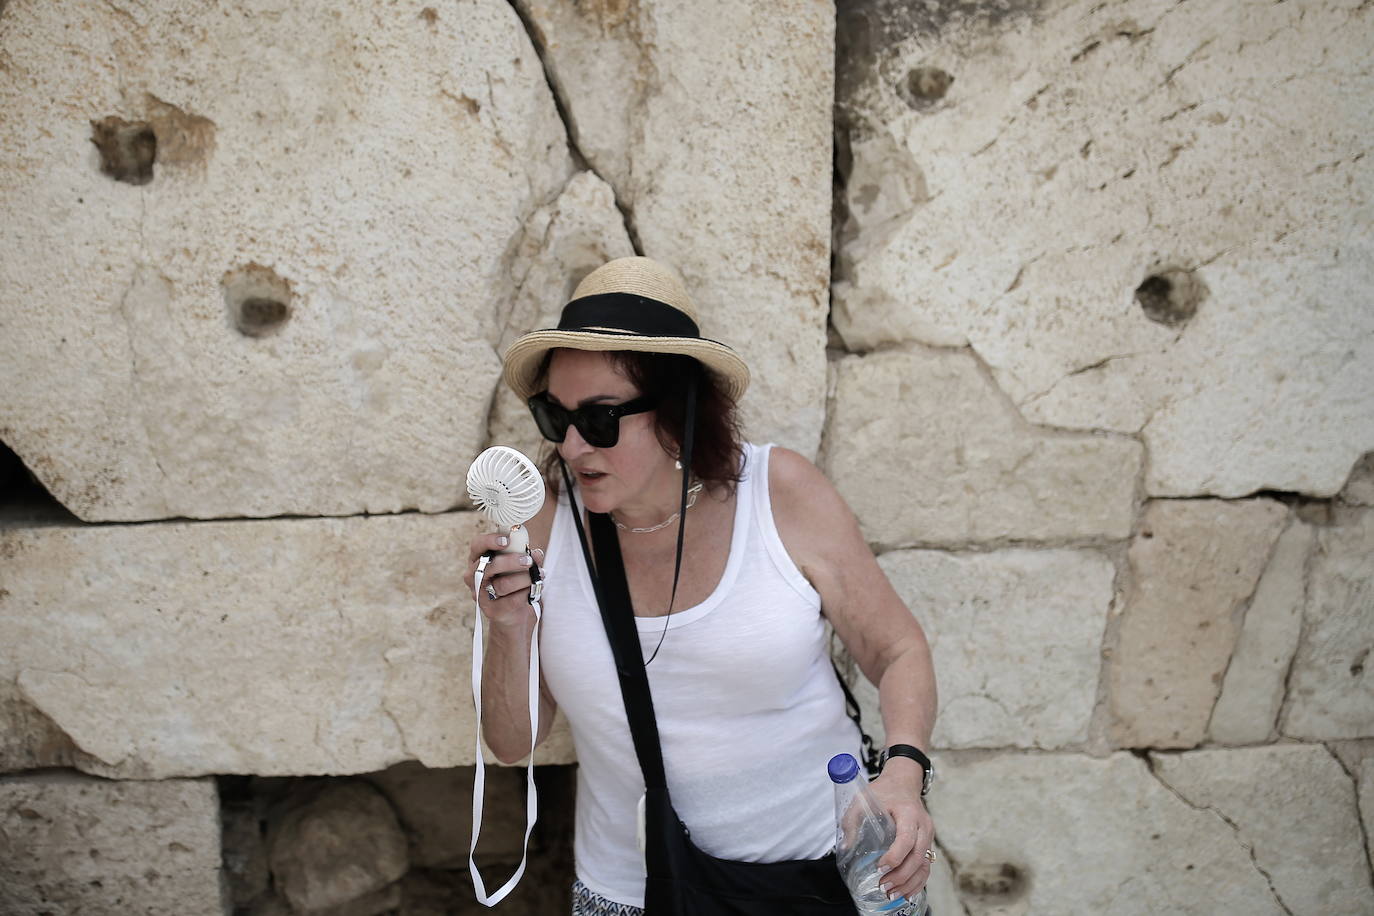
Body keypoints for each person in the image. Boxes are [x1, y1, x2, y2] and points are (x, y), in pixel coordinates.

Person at [467, 257, 938, 914]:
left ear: (678, 411)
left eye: (600, 419)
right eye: (555, 417)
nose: (573, 447)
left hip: (832, 877)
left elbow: (897, 649)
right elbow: (514, 741)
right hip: (633, 893)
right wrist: (508, 627)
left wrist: (904, 775)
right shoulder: (542, 527)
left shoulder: (780, 496)